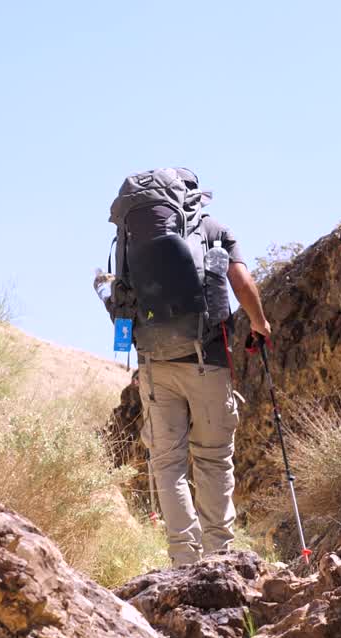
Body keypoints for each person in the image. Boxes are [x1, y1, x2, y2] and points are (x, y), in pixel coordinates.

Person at [103, 168, 271, 566]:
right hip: (207, 359)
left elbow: (121, 295)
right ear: (194, 197)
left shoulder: (128, 238)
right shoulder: (213, 229)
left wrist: (128, 347)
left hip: (154, 365)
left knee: (167, 462)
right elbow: (241, 283)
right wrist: (261, 325)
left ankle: (183, 560)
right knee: (212, 458)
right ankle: (220, 556)